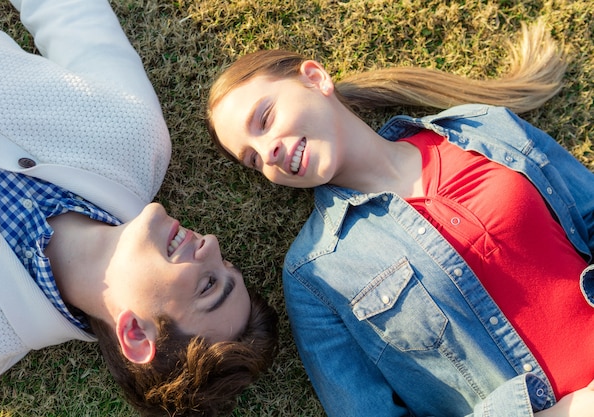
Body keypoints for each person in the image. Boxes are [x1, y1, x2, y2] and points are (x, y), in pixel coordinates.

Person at [206, 20, 594, 417]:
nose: (266, 153)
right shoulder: (315, 276)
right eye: (252, 159)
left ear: (315, 77)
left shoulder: (482, 127)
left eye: (265, 118)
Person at [0, 1, 278, 416]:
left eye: (207, 285)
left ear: (134, 333)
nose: (211, 244)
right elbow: (66, 13)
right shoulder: (134, 139)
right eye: (226, 266)